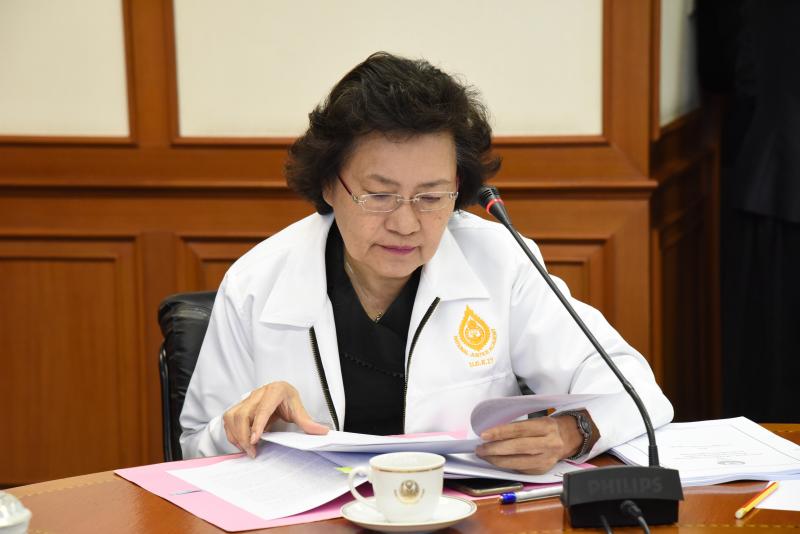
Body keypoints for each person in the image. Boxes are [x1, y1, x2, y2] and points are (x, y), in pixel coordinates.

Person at [180, 52, 673, 473]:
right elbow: (194, 446)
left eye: (431, 197)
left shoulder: (499, 261)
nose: (406, 224)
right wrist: (247, 425)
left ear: (458, 189)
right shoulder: (256, 280)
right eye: (379, 196)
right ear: (330, 185)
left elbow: (633, 387)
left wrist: (572, 431)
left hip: (470, 514)